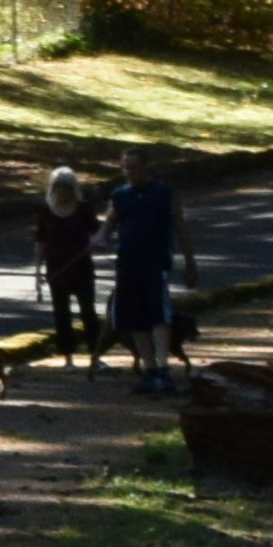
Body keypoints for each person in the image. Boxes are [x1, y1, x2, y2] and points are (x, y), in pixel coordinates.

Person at [108, 155, 186, 393]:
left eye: (135, 167)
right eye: (126, 168)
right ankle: (149, 370)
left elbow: (180, 226)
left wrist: (190, 263)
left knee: (159, 317)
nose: (130, 172)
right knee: (135, 320)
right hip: (128, 264)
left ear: (147, 167)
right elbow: (108, 225)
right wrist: (98, 239)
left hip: (155, 264)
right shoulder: (119, 196)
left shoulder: (163, 192)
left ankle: (163, 370)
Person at [32, 164, 104, 372]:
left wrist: (97, 243)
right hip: (56, 271)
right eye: (58, 187)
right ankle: (68, 359)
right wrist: (37, 272)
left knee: (88, 313)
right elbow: (40, 243)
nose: (62, 191)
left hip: (82, 269)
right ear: (52, 189)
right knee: (61, 315)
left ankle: (96, 356)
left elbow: (99, 234)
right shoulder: (45, 213)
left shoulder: (84, 209)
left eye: (66, 187)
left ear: (73, 188)